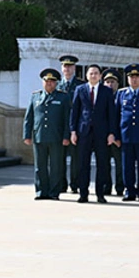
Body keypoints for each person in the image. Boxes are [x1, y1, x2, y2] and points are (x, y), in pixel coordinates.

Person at [69, 63, 118, 203]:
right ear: (87, 75)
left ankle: (100, 194)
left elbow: (111, 114)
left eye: (96, 73)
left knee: (102, 164)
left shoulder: (106, 91)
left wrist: (111, 133)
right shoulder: (80, 89)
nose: (93, 75)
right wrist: (73, 131)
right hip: (83, 132)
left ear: (100, 76)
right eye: (91, 73)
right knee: (82, 164)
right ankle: (83, 193)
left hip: (101, 133)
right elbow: (75, 112)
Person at [23, 67, 71, 201]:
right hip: (39, 136)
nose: (49, 83)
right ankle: (41, 191)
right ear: (42, 82)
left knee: (56, 166)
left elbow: (67, 119)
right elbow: (29, 117)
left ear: (56, 83)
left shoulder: (63, 97)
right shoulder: (35, 96)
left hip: (56, 137)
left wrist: (66, 136)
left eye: (52, 81)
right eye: (46, 81)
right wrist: (27, 135)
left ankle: (54, 192)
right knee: (40, 166)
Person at [116, 63, 139, 202]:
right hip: (126, 136)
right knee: (127, 166)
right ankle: (129, 191)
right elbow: (116, 116)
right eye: (131, 77)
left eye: (137, 77)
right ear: (127, 78)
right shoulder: (121, 94)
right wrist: (116, 135)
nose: (134, 79)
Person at [57, 54, 84, 195]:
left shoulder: (81, 85)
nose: (67, 69)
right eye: (65, 66)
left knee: (76, 158)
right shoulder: (57, 85)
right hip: (60, 127)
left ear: (74, 68)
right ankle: (61, 184)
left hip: (76, 127)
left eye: (70, 66)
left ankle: (75, 183)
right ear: (61, 68)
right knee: (59, 158)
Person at [100, 69, 125, 198]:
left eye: (113, 82)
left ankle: (120, 187)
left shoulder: (121, 97)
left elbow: (121, 119)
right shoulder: (100, 96)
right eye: (107, 82)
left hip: (118, 137)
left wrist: (116, 136)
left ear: (118, 84)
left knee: (120, 164)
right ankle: (106, 187)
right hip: (103, 137)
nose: (110, 84)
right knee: (104, 164)